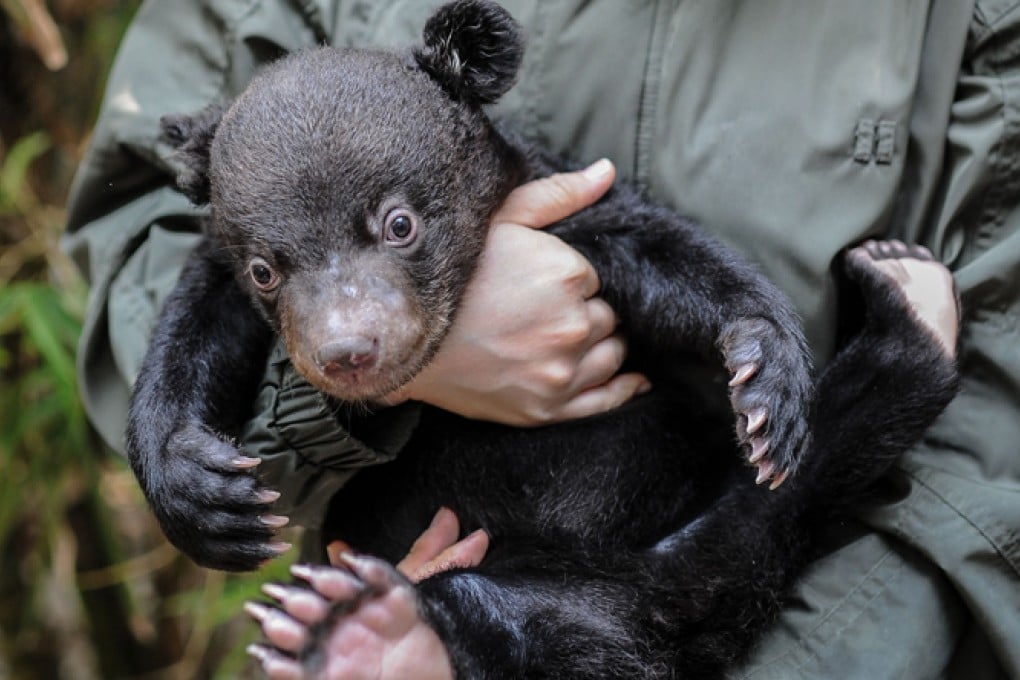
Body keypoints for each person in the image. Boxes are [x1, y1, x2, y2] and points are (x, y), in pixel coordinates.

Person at [63, 0, 1020, 677]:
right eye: (275, 275)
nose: (344, 336)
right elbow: (164, 289)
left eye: (395, 229)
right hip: (466, 590)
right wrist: (179, 453)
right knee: (497, 621)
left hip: (671, 578)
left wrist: (754, 327)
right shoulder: (244, 231)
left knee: (711, 556)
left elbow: (654, 254)